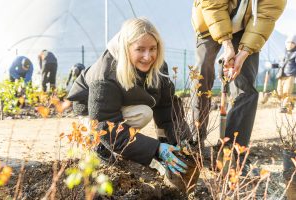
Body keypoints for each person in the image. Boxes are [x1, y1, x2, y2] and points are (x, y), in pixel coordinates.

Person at [67, 18, 191, 175]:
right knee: (141, 115)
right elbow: (104, 125)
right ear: (126, 48)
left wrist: (178, 141)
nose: (148, 56)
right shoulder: (106, 74)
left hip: (119, 105)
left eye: (153, 48)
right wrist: (155, 149)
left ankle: (126, 147)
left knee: (145, 111)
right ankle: (99, 146)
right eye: (140, 49)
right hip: (93, 114)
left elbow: (166, 107)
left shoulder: (158, 66)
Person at [191, 0, 286, 174]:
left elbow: (266, 15)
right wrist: (227, 45)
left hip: (248, 27)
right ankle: (193, 145)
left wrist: (244, 52)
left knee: (246, 88)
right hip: (210, 17)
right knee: (201, 75)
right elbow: (213, 5)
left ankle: (232, 154)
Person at [276, 35, 296, 113]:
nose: (290, 44)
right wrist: (273, 65)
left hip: (290, 75)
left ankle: (283, 107)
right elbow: (280, 64)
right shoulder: (283, 53)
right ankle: (290, 103)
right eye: (288, 42)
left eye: (292, 42)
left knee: (287, 91)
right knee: (279, 91)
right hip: (281, 75)